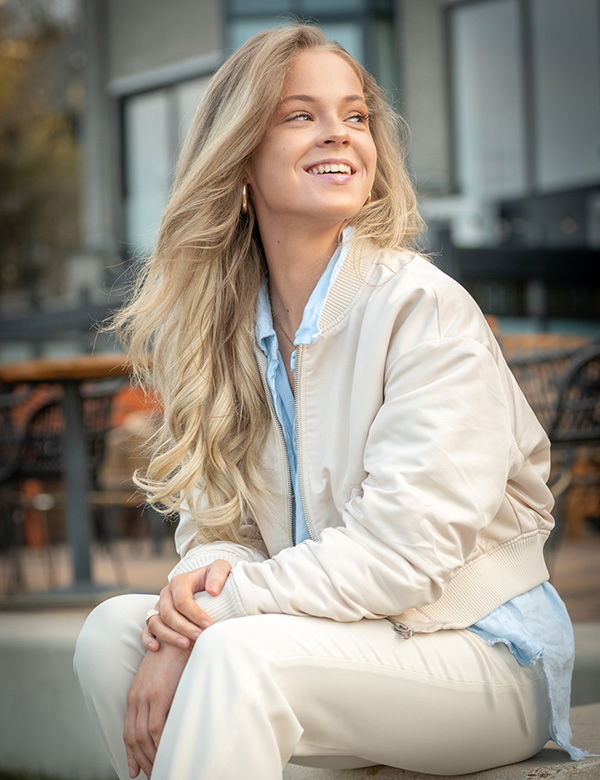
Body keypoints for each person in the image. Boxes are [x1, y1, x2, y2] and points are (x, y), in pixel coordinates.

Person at [74, 24, 585, 780]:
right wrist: (195, 610)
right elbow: (219, 528)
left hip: (479, 655)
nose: (338, 135)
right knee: (114, 633)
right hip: (331, 645)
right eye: (300, 115)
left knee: (234, 653)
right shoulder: (228, 328)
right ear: (240, 158)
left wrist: (217, 612)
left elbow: (400, 556)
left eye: (355, 115)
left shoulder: (424, 310)